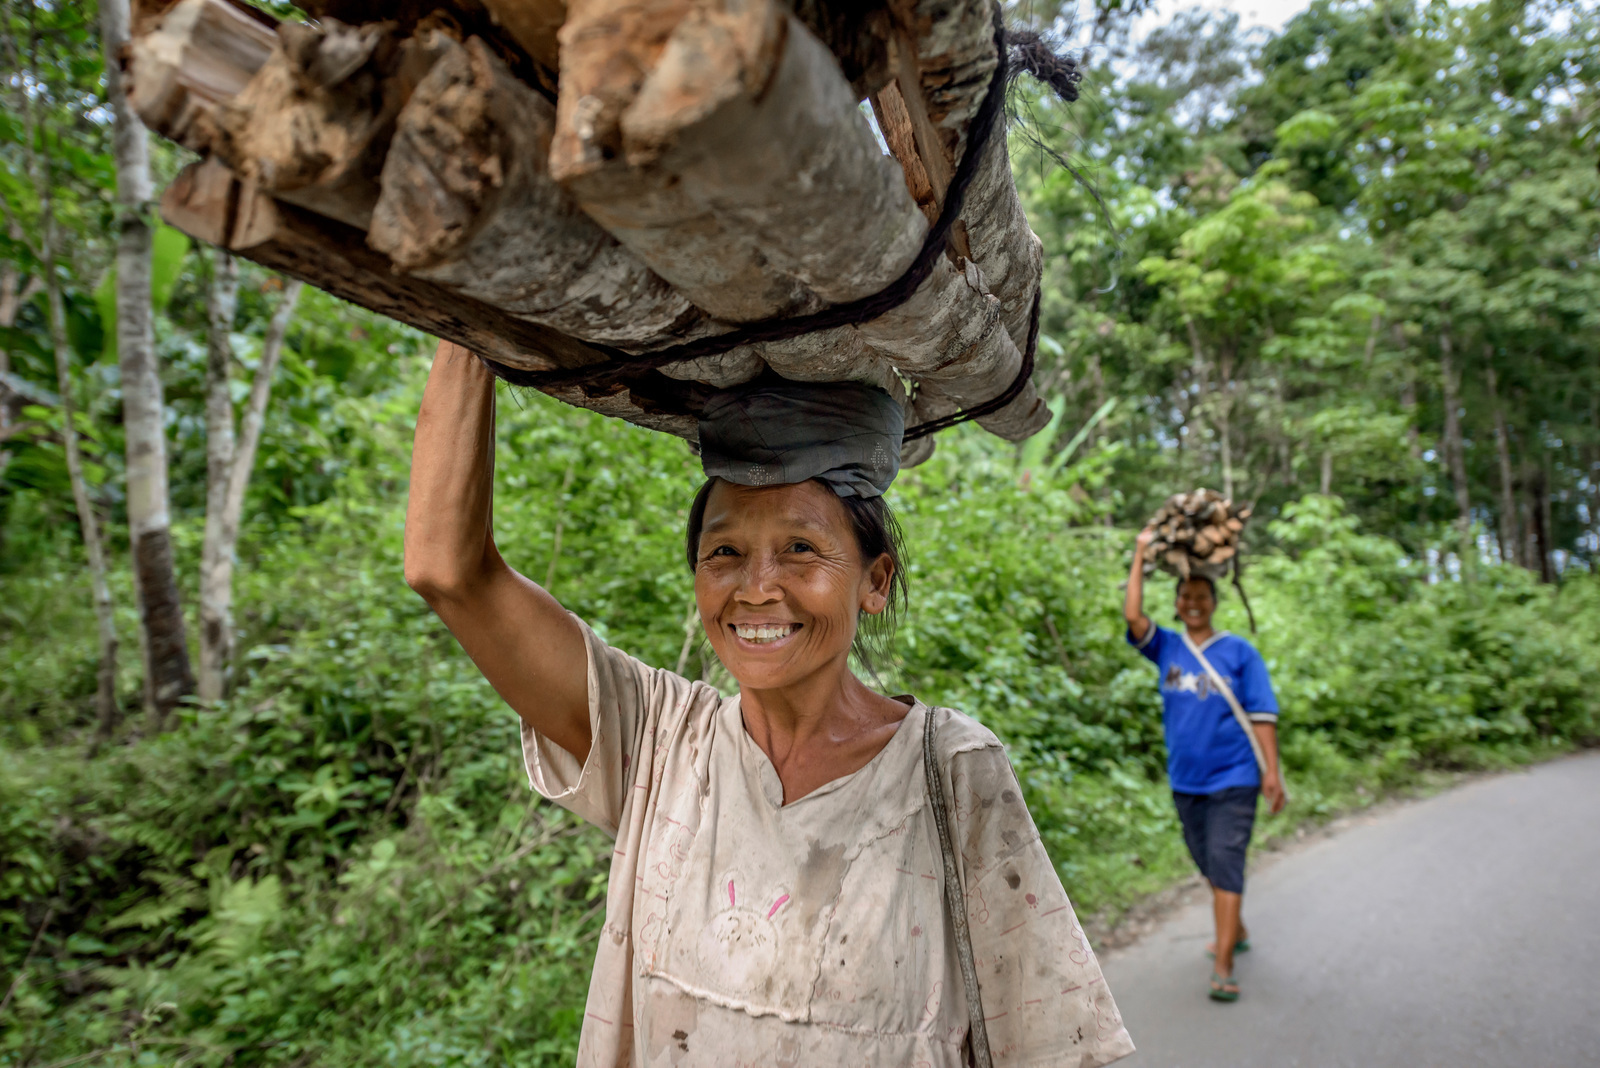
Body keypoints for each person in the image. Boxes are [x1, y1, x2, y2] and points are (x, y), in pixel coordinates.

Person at [404, 341, 1135, 1068]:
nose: (756, 589)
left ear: (875, 580)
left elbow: (1051, 1042)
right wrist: (470, 328)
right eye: (724, 553)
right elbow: (448, 570)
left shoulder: (951, 771)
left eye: (800, 550)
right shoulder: (661, 741)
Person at [1122, 526, 1285, 1003]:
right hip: (1186, 781)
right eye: (1185, 596)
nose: (1193, 603)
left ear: (1213, 602)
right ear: (1177, 603)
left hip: (1235, 777)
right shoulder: (1168, 647)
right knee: (1206, 860)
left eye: (1201, 596)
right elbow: (1133, 615)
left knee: (1227, 861)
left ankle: (1223, 965)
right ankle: (1236, 923)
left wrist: (1272, 772)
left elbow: (1263, 715)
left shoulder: (1239, 652)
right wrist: (1139, 553)